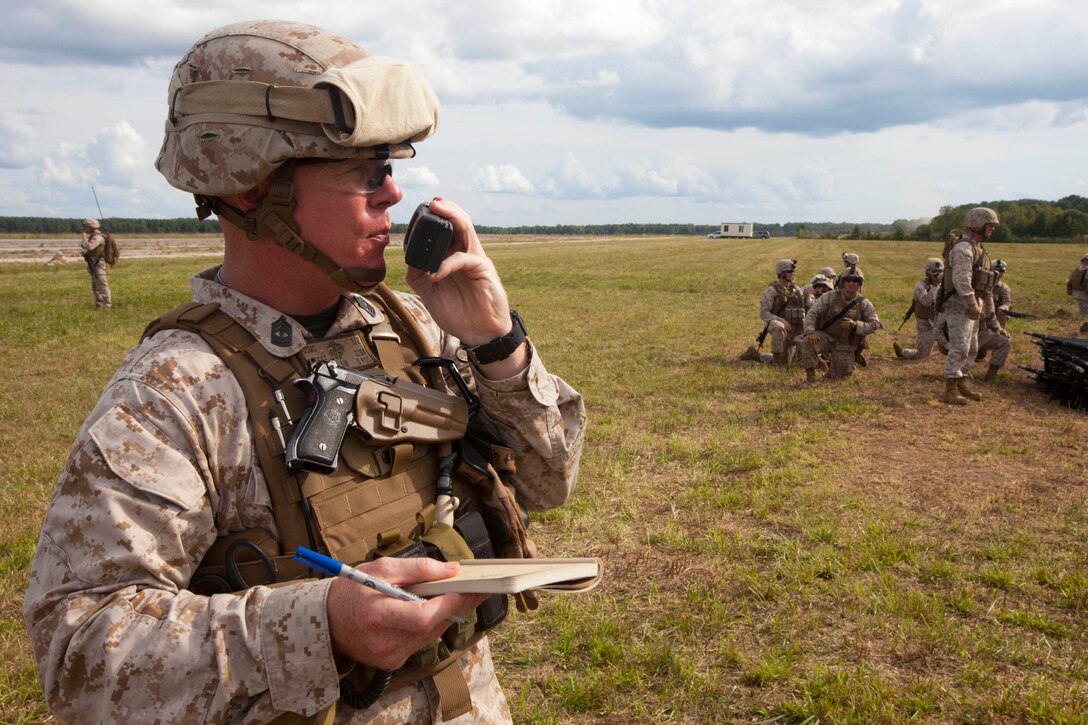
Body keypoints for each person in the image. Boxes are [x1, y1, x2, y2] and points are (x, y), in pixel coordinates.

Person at [23, 20, 586, 724]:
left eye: (392, 164)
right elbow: (79, 652)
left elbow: (549, 481)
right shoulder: (176, 393)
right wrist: (321, 623)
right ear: (256, 187)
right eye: (367, 170)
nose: (393, 193)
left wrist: (497, 343)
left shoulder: (412, 326)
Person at [939, 207, 1000, 405]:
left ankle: (962, 382)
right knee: (959, 348)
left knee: (972, 348)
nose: (992, 229)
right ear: (978, 225)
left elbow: (987, 286)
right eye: (990, 225)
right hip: (959, 305)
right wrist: (973, 304)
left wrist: (990, 314)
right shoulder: (964, 249)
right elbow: (961, 281)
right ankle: (950, 389)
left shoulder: (980, 250)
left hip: (973, 306)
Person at [801, 266, 881, 382]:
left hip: (846, 343)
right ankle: (810, 378)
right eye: (848, 280)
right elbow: (813, 313)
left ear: (860, 284)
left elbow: (875, 324)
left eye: (855, 281)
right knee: (808, 342)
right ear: (843, 282)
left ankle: (848, 361)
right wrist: (810, 331)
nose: (851, 283)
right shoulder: (830, 297)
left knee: (840, 376)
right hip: (827, 337)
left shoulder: (864, 303)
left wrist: (856, 325)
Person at [757, 259, 806, 366]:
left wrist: (800, 330)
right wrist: (781, 320)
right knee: (779, 326)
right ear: (781, 273)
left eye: (793, 272)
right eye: (789, 272)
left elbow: (803, 312)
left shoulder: (797, 290)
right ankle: (776, 361)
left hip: (794, 329)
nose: (792, 274)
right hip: (778, 328)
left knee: (790, 363)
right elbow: (764, 313)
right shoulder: (772, 291)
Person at [894, 257, 943, 361]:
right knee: (922, 355)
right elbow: (926, 301)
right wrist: (935, 286)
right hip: (925, 324)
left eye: (940, 272)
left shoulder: (943, 286)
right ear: (927, 272)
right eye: (934, 272)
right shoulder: (920, 286)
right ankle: (903, 353)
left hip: (940, 321)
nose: (937, 275)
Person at [975, 259, 1012, 381]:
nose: (999, 274)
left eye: (1001, 271)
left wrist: (998, 328)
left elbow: (1005, 303)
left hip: (983, 327)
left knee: (1004, 340)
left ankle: (991, 375)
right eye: (996, 271)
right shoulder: (970, 291)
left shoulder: (1002, 288)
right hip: (965, 334)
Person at [79, 217, 112, 307]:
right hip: (93, 262)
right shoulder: (93, 237)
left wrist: (84, 239)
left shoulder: (98, 237)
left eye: (86, 227)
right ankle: (99, 303)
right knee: (95, 284)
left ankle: (107, 304)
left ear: (91, 227)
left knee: (102, 282)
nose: (85, 229)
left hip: (98, 263)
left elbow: (89, 247)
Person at [1068, 252, 1088, 317]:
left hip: (1076, 292)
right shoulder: (1086, 270)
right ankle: (1082, 316)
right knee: (1085, 309)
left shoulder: (1076, 269)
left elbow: (1070, 280)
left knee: (1083, 306)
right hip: (1083, 293)